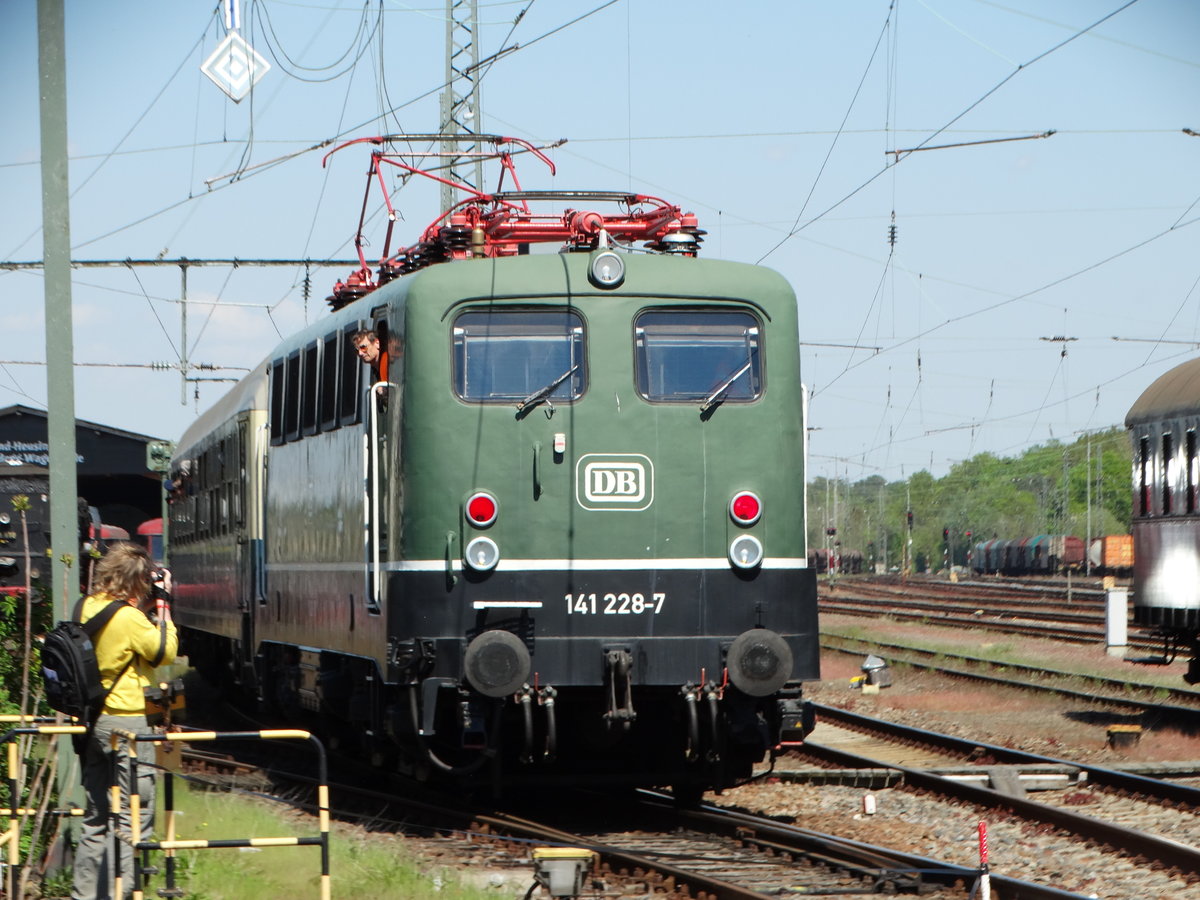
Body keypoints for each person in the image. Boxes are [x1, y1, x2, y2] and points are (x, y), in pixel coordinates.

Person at [72, 542, 178, 900]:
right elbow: (163, 652)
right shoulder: (130, 617)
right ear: (137, 583)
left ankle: (86, 894)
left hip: (94, 722)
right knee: (135, 810)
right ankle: (124, 891)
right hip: (128, 723)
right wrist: (162, 606)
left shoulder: (84, 606)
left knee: (95, 816)